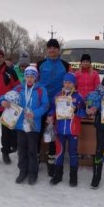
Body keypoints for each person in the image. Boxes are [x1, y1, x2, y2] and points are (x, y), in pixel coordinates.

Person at [0, 66, 49, 185]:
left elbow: (45, 105)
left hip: (33, 125)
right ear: (25, 77)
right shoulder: (19, 88)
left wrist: (35, 114)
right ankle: (23, 171)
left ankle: (33, 173)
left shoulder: (41, 89)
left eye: (32, 76)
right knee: (21, 149)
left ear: (36, 78)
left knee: (32, 150)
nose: (29, 79)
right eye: (27, 76)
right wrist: (3, 102)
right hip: (20, 125)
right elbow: (3, 97)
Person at [37, 38, 71, 177]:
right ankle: (37, 159)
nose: (52, 50)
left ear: (58, 50)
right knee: (38, 131)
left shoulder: (65, 64)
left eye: (54, 48)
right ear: (46, 50)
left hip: (58, 105)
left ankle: (52, 160)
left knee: (53, 133)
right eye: (49, 48)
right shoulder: (40, 64)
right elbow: (32, 81)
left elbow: (71, 82)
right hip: (41, 103)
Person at [47, 73, 86, 187]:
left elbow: (84, 113)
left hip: (73, 130)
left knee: (73, 153)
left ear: (74, 83)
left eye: (69, 82)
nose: (67, 84)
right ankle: (58, 176)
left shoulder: (79, 96)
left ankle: (73, 178)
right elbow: (53, 109)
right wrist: (50, 116)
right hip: (59, 130)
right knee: (59, 152)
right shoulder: (58, 95)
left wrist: (76, 110)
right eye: (65, 82)